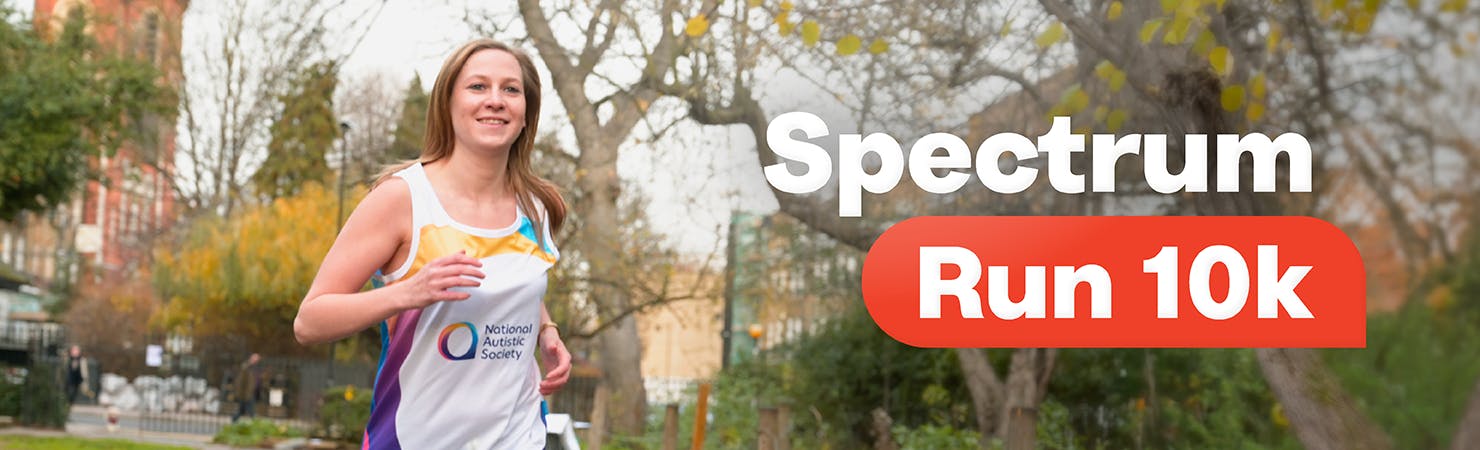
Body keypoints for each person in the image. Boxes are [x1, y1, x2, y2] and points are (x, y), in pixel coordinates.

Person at [293, 38, 571, 449]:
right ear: (448, 104)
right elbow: (310, 321)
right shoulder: (402, 198)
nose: (495, 100)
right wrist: (407, 293)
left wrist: (546, 329)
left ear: (526, 112)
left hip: (519, 437)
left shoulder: (537, 206)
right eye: (478, 86)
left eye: (511, 89)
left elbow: (508, 278)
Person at [231, 353, 263, 422]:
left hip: (252, 392)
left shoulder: (256, 368)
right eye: (255, 359)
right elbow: (240, 382)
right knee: (251, 411)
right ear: (251, 358)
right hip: (246, 393)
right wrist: (240, 393)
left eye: (257, 359)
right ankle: (255, 423)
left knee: (241, 411)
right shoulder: (246, 368)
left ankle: (234, 420)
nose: (256, 360)